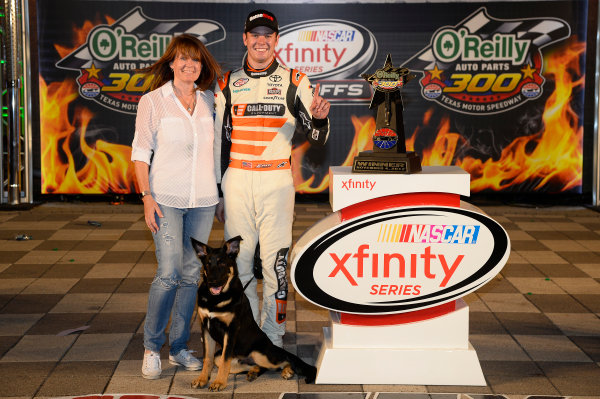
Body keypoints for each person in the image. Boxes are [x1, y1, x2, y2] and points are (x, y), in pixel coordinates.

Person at [214, 9, 331, 347]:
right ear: (245, 38)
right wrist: (219, 192)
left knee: (275, 264)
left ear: (277, 40)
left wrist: (321, 118)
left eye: (268, 35)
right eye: (255, 34)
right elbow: (218, 141)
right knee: (240, 262)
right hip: (237, 181)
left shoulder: (297, 80)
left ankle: (275, 337)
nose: (261, 40)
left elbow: (319, 137)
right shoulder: (226, 82)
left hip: (277, 181)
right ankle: (247, 338)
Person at [131, 33, 222, 379]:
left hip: (202, 201)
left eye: (196, 60)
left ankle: (179, 348)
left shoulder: (210, 100)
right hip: (164, 199)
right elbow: (140, 152)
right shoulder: (153, 102)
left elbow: (217, 154)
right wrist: (146, 197)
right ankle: (152, 348)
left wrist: (220, 196)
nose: (189, 65)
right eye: (183, 59)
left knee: (190, 275)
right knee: (168, 273)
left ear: (203, 66)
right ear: (171, 63)